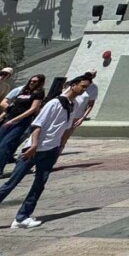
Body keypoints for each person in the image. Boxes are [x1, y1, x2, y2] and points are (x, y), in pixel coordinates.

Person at [0, 76, 92, 229]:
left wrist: (59, 147)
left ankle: (22, 217)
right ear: (73, 85)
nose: (84, 90)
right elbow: (37, 125)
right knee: (12, 182)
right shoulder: (54, 103)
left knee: (39, 184)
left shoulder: (73, 105)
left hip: (51, 150)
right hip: (34, 149)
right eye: (82, 86)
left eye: (86, 87)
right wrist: (34, 145)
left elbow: (66, 128)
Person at [0, 74, 45, 177]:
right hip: (8, 119)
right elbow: (11, 107)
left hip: (21, 122)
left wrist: (15, 120)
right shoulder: (23, 91)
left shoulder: (38, 93)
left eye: (35, 81)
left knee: (5, 145)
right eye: (31, 81)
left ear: (40, 83)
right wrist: (3, 116)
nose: (32, 83)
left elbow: (33, 109)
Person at [60, 70, 98, 152]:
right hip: (65, 112)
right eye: (88, 74)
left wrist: (82, 118)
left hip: (77, 116)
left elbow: (90, 105)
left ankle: (58, 152)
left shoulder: (93, 88)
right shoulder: (75, 83)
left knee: (65, 136)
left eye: (92, 74)